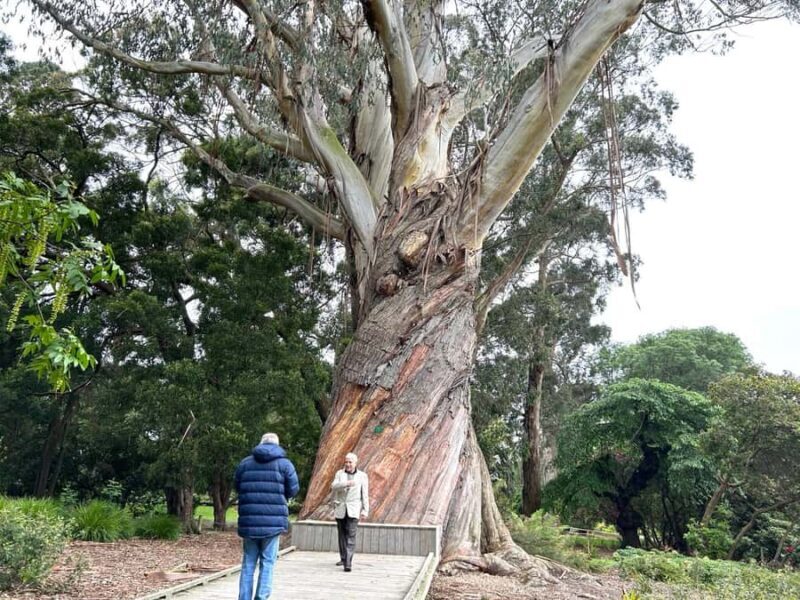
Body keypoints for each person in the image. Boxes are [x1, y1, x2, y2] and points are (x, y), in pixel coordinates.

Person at [235, 432, 299, 600]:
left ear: (261, 443)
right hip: (273, 522)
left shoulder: (245, 463)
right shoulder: (285, 464)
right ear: (277, 445)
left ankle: (244, 598)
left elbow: (238, 486)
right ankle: (262, 597)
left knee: (248, 563)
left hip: (249, 521)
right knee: (268, 563)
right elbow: (293, 489)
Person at [331, 452, 369, 572]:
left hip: (354, 509)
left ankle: (348, 563)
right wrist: (346, 483)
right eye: (346, 461)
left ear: (355, 463)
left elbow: (365, 495)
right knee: (342, 535)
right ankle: (343, 558)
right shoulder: (339, 473)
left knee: (351, 535)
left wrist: (365, 510)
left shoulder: (362, 476)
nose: (347, 464)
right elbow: (333, 486)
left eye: (350, 462)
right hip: (340, 508)